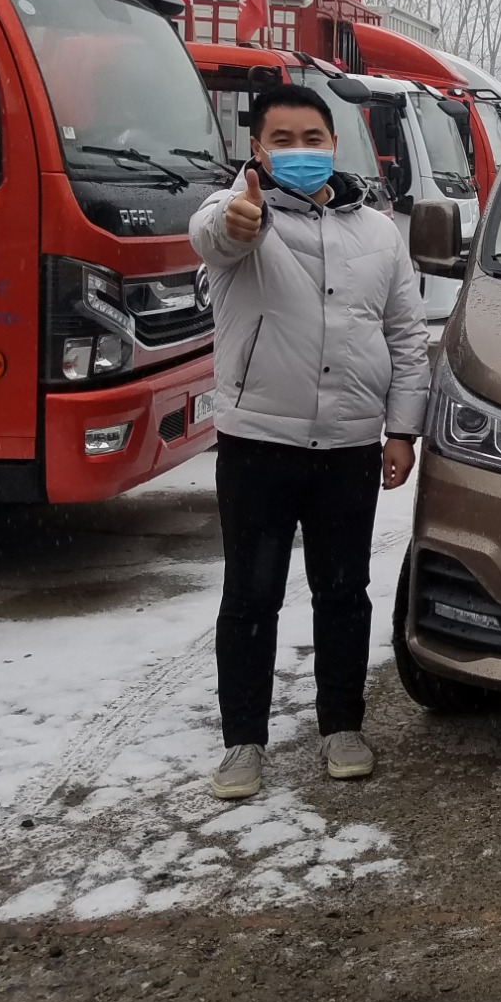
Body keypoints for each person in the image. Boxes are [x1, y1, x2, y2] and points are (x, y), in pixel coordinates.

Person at [189, 84, 430, 801]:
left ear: (334, 144)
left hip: (349, 445)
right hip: (258, 443)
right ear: (257, 150)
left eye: (313, 138)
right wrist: (235, 217)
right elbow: (213, 234)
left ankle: (343, 726)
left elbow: (405, 336)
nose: (300, 152)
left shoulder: (379, 233)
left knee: (344, 592)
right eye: (283, 140)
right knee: (250, 594)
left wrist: (402, 428)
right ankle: (243, 742)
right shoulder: (240, 214)